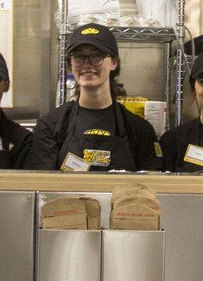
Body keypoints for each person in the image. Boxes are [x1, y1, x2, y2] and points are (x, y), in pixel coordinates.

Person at [25, 23, 161, 172]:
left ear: (114, 62)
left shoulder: (139, 129)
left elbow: (148, 184)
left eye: (96, 56)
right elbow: (44, 182)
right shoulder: (50, 126)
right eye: (78, 57)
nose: (87, 64)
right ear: (71, 64)